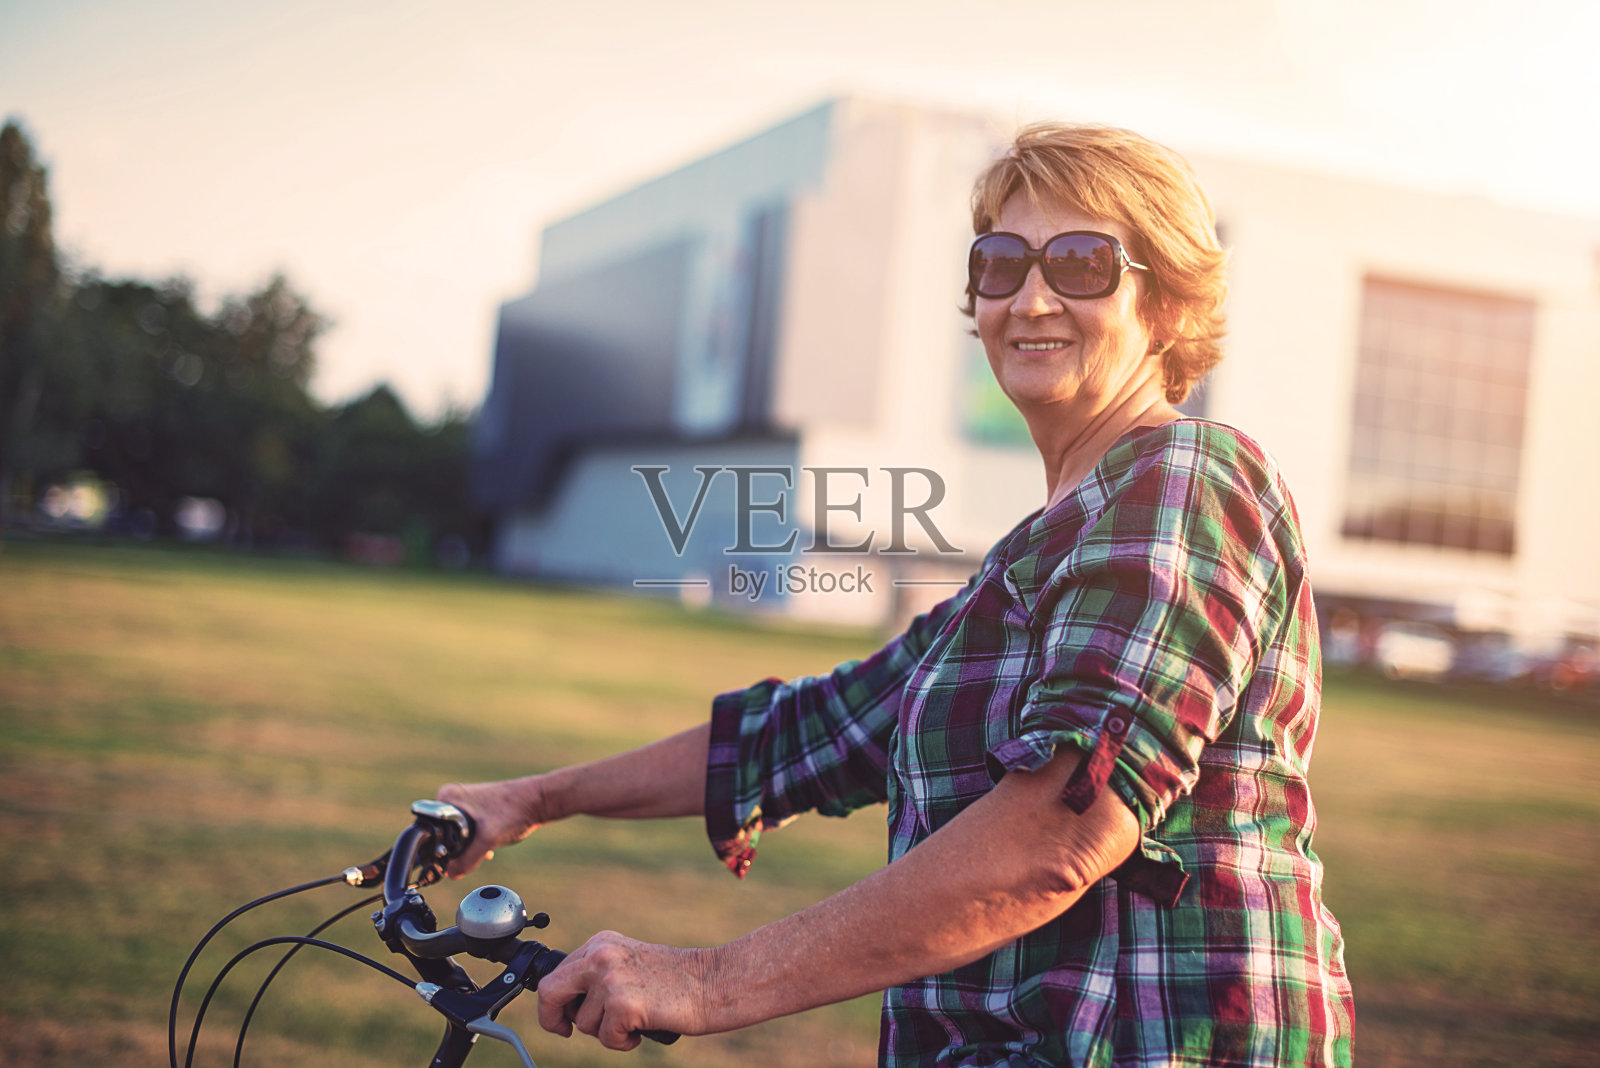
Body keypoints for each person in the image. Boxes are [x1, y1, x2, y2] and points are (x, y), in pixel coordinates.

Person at [439, 122, 1354, 1067]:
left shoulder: (1188, 477)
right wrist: (530, 798)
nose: (1030, 297)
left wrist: (708, 981)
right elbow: (805, 733)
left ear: (1164, 304)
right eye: (1000, 263)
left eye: (1082, 263)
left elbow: (1063, 826)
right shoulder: (1033, 558)